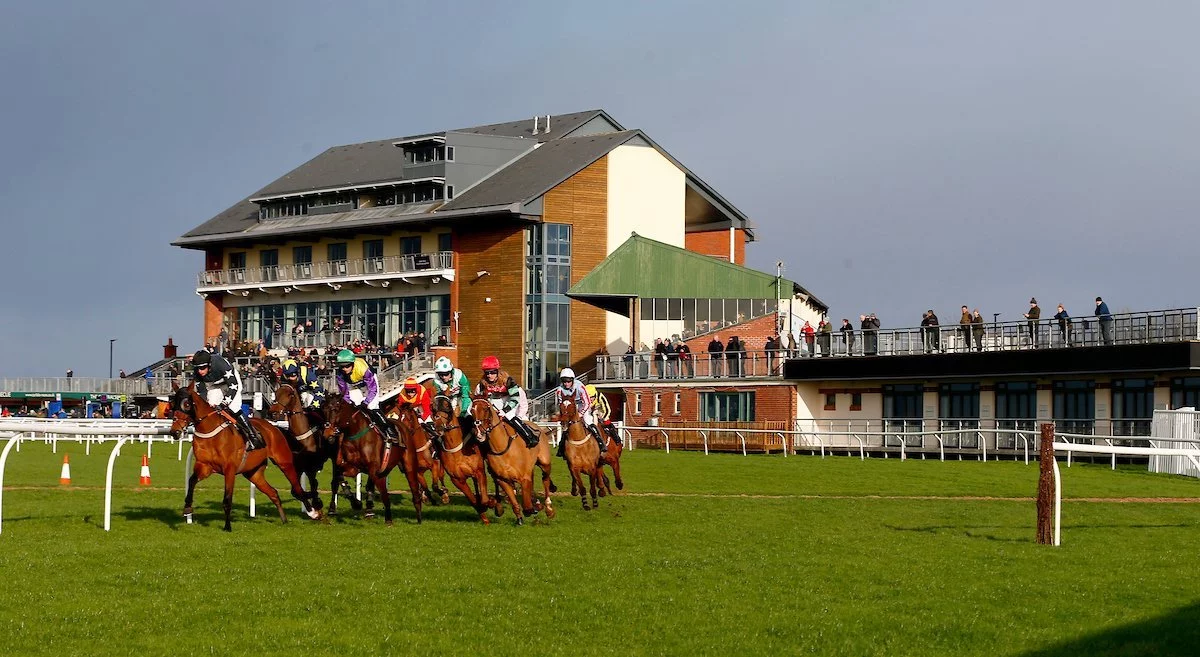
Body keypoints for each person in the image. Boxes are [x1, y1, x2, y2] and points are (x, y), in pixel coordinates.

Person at [191, 350, 264, 451]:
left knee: (233, 407)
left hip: (232, 382)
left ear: (209, 364)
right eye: (198, 368)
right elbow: (202, 391)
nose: (200, 371)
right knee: (211, 406)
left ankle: (253, 436)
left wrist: (224, 403)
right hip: (214, 385)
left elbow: (233, 386)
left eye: (203, 368)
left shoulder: (221, 365)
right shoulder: (197, 372)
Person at [473, 355, 540, 448]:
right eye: (487, 373)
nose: (489, 375)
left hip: (509, 403)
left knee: (510, 416)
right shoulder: (482, 384)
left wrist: (505, 410)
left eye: (492, 372)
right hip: (493, 404)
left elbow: (515, 399)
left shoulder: (508, 381)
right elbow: (478, 398)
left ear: (497, 371)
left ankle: (529, 437)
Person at [333, 348, 395, 441]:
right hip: (355, 385)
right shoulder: (340, 374)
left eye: (347, 366)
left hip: (369, 385)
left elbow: (372, 389)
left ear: (353, 363)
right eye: (342, 366)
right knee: (351, 407)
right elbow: (344, 393)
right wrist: (350, 403)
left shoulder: (363, 369)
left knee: (371, 406)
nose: (344, 369)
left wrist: (366, 402)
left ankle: (388, 429)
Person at [554, 367, 604, 457]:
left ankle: (601, 443)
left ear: (572, 380)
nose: (566, 384)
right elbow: (560, 403)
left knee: (589, 422)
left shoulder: (580, 387)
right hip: (569, 407)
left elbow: (587, 402)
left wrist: (581, 414)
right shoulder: (559, 390)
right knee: (566, 428)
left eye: (568, 381)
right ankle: (561, 448)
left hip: (582, 405)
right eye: (564, 381)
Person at [431, 356, 474, 436]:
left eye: (446, 374)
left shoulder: (460, 376)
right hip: (448, 399)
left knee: (467, 415)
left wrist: (463, 413)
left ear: (451, 371)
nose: (443, 377)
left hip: (461, 397)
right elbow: (439, 400)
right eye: (441, 374)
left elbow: (466, 396)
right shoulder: (436, 381)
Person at [394, 376, 436, 440]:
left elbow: (426, 409)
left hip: (422, 408)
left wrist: (421, 420)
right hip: (409, 411)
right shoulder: (402, 394)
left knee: (429, 423)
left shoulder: (422, 391)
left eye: (412, 391)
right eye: (408, 391)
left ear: (416, 389)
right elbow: (402, 408)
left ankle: (435, 438)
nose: (410, 393)